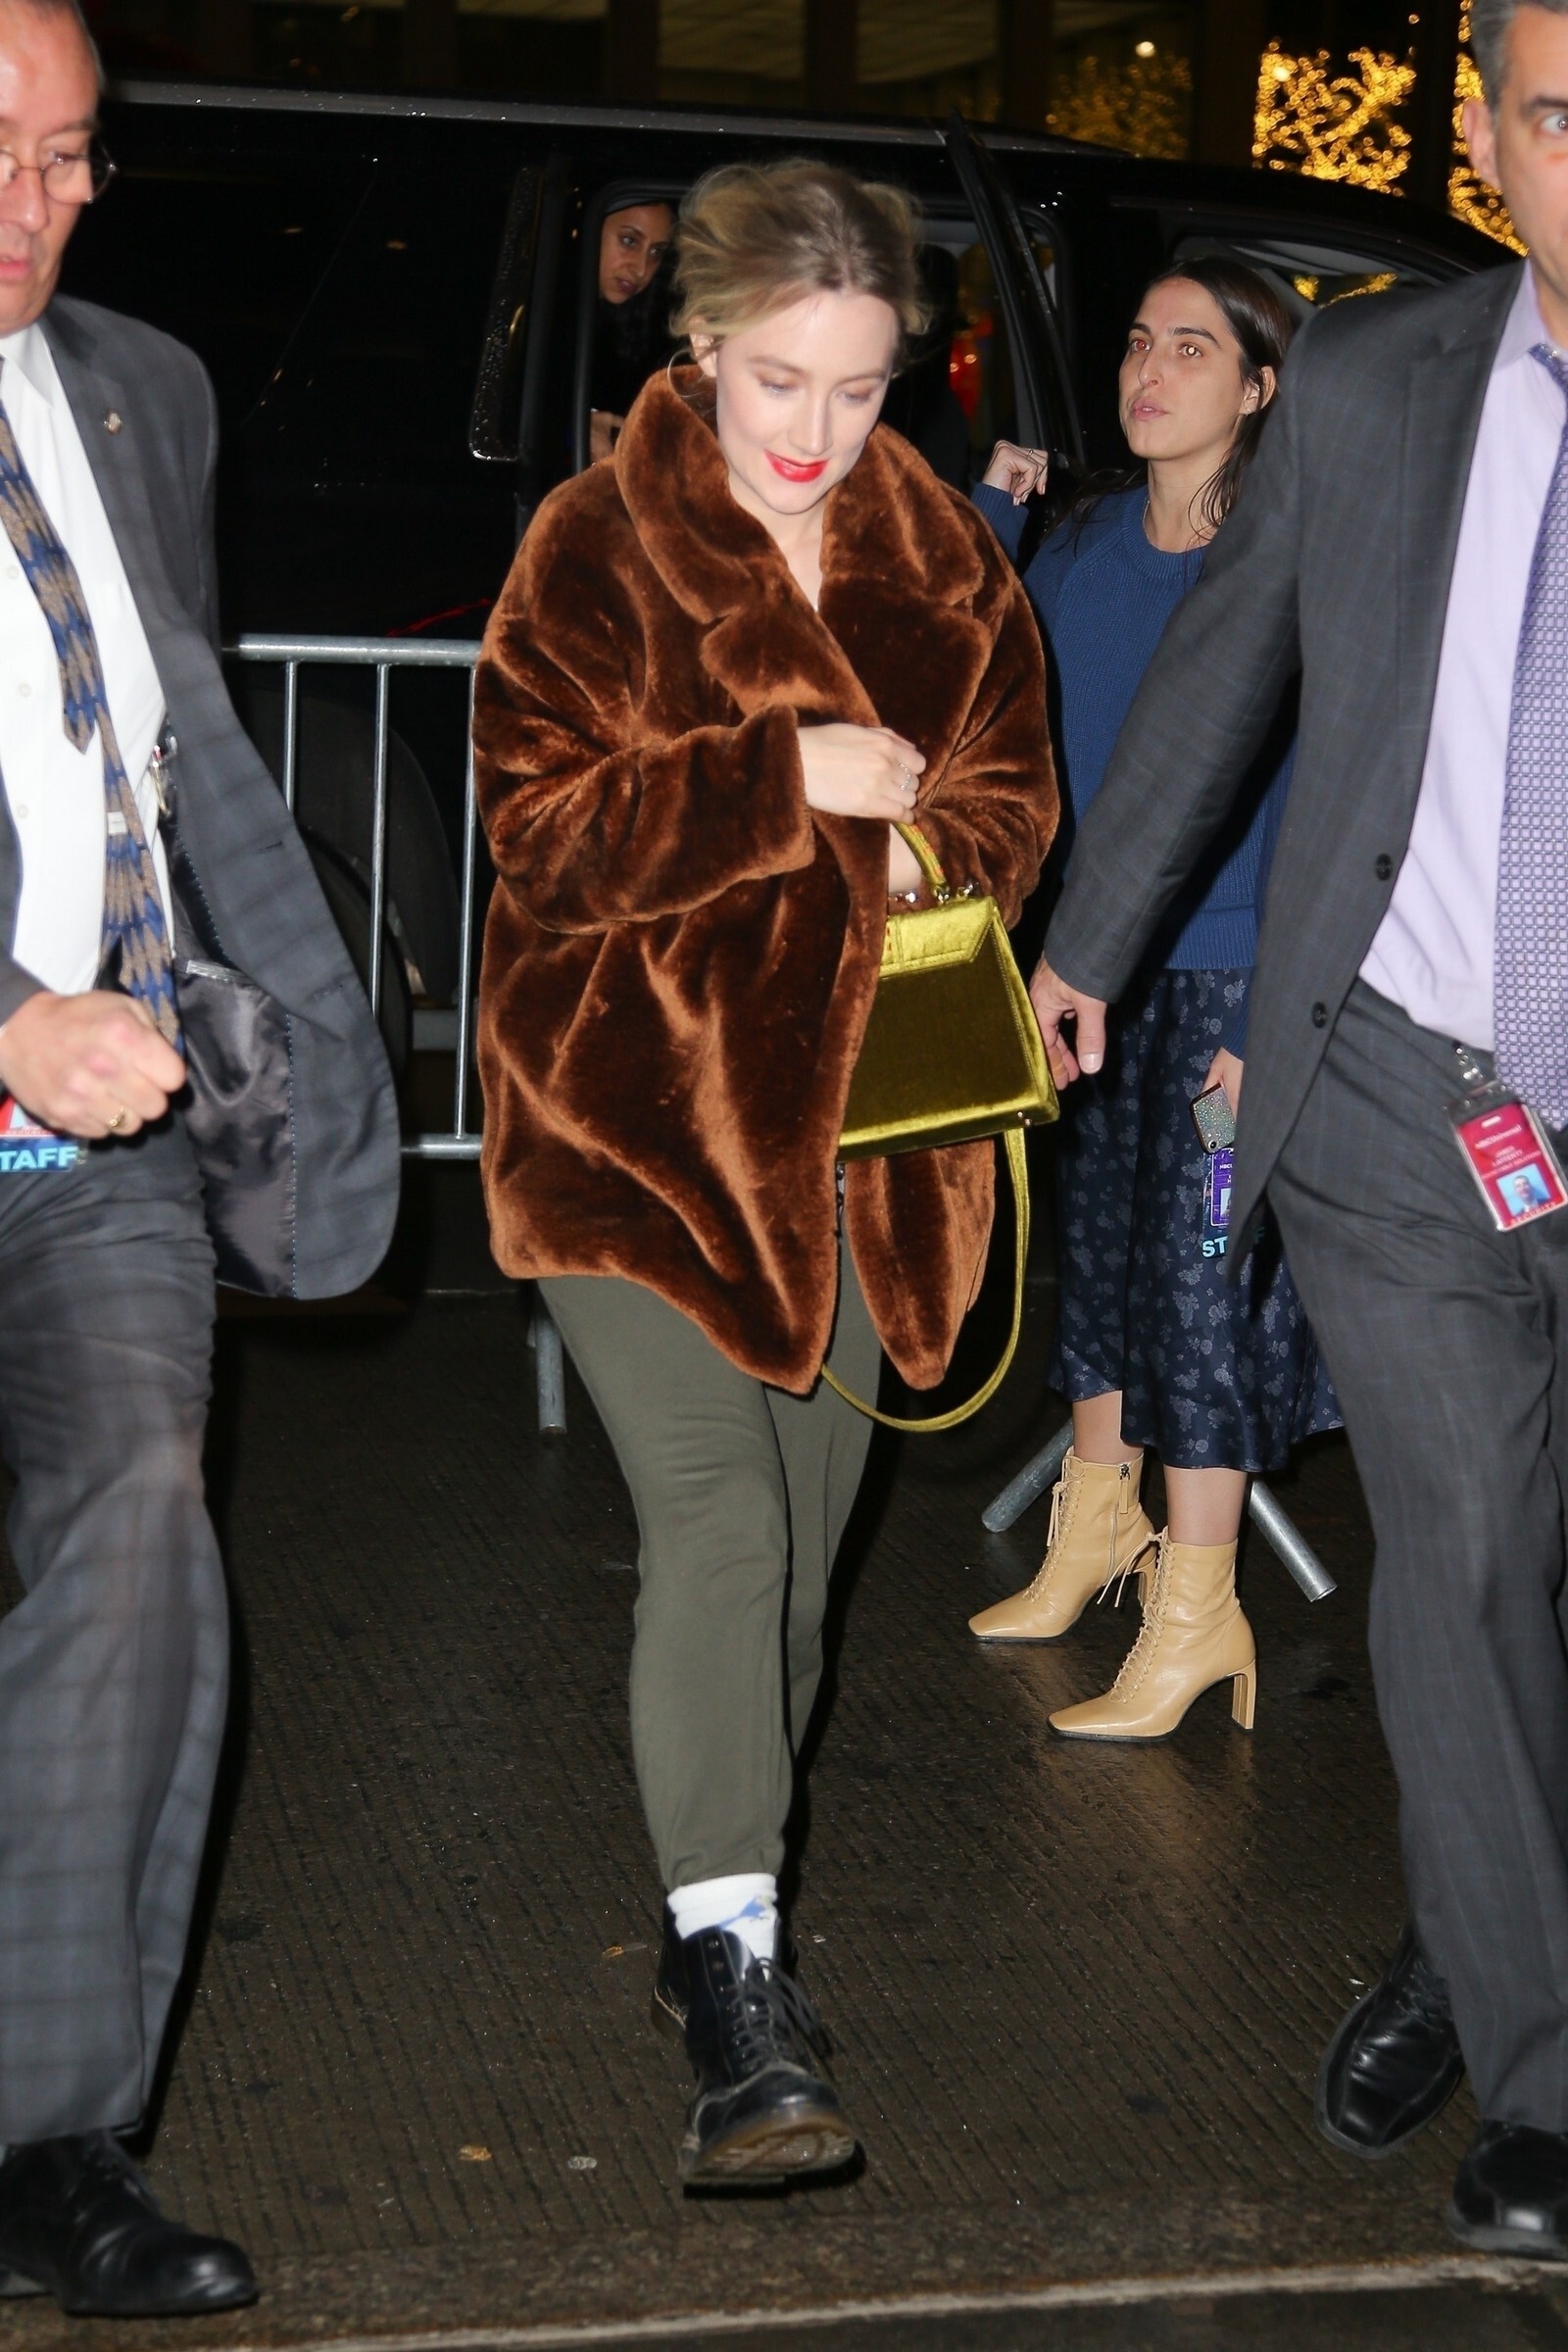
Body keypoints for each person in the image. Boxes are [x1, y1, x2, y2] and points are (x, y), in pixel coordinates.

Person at [1028, 0, 1568, 2258]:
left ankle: (1470, 1922)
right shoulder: (1364, 385)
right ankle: (1537, 2078)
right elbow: (1220, 666)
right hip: (1402, 1082)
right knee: (1457, 1559)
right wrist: (1082, 946)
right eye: (1558, 120)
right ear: (1480, 147)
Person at [473, 157, 1054, 2187]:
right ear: (702, 341)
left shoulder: (938, 553)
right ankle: (738, 1985)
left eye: (863, 388)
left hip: (862, 1149)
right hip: (629, 1134)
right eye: (780, 379)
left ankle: (711, 1905)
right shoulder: (594, 542)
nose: (815, 432)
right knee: (722, 1530)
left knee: (797, 1571)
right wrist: (777, 779)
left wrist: (934, 848)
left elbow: (1010, 800)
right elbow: (537, 835)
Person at [0, 0, 399, 2314]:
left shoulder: (143, 387)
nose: (35, 207)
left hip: (99, 1141)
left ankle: (50, 2129)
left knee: (143, 1525)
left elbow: (174, 742)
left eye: (69, 158)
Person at [967, 260, 1337, 1740]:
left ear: (1260, 386)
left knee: (1201, 1281)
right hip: (1096, 975)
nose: (1149, 370)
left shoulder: (1286, 564)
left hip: (1238, 978)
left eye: (1193, 347)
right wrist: (993, 517)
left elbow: (1316, 805)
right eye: (1137, 342)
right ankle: (1095, 1526)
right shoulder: (1082, 549)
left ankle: (1199, 1608)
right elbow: (965, 668)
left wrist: (1262, 1029)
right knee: (1104, 1262)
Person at [588, 199, 675, 463]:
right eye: (629, 241)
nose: (641, 269)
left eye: (656, 252)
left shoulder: (651, 322)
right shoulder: (538, 306)